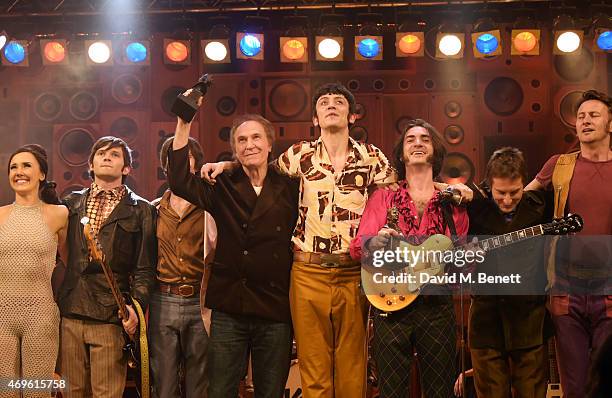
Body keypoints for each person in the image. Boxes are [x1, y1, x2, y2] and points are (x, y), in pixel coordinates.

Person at [203, 82, 396, 398]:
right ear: (316, 118)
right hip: (307, 272)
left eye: (338, 102)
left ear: (352, 116)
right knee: (314, 371)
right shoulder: (298, 155)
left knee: (352, 370)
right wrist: (228, 165)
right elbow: (258, 171)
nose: (331, 105)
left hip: (353, 272)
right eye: (323, 102)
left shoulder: (372, 157)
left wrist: (387, 229)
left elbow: (395, 198)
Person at [168, 109, 299, 398]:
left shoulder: (291, 185)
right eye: (241, 140)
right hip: (230, 307)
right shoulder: (222, 185)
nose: (249, 144)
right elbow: (178, 180)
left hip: (275, 308)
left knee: (270, 392)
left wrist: (226, 164)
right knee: (220, 391)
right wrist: (183, 123)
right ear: (234, 148)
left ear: (269, 144)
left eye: (255, 138)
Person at [350, 119, 468, 398]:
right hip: (390, 303)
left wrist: (463, 259)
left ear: (435, 151)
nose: (417, 143)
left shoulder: (453, 202)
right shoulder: (383, 198)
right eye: (410, 139)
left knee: (440, 391)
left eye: (425, 139)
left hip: (436, 305)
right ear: (402, 154)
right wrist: (376, 242)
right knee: (392, 392)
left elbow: (462, 263)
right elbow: (358, 248)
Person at [525, 89, 612, 398]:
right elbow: (518, 204)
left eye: (594, 115)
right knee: (573, 385)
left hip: (609, 291)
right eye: (581, 116)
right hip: (566, 287)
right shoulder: (560, 164)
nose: (585, 121)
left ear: (610, 124)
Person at [57, 136, 157, 398]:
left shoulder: (142, 210)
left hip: (111, 314)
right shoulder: (70, 203)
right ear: (90, 164)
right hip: (70, 309)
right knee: (71, 392)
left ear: (126, 168)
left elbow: (145, 268)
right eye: (101, 153)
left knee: (107, 393)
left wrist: (136, 308)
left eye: (114, 155)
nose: (106, 157)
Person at [466, 147, 553, 397]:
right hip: (485, 321)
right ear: (488, 185)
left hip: (529, 321)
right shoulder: (473, 207)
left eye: (514, 193)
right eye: (500, 193)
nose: (506, 200)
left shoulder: (539, 207)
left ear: (524, 184)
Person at [148, 136, 217, 398]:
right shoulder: (153, 210)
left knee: (200, 383)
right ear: (166, 167)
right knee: (163, 384)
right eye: (172, 157)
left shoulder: (209, 208)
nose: (178, 162)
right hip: (163, 299)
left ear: (195, 164)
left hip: (201, 302)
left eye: (186, 156)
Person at [0, 144, 68, 398]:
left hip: (40, 317)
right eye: (13, 167)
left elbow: (69, 263)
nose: (19, 171)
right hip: (1, 318)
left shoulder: (59, 214)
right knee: (5, 393)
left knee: (36, 394)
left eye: (26, 165)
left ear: (41, 174)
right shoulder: (0, 215)